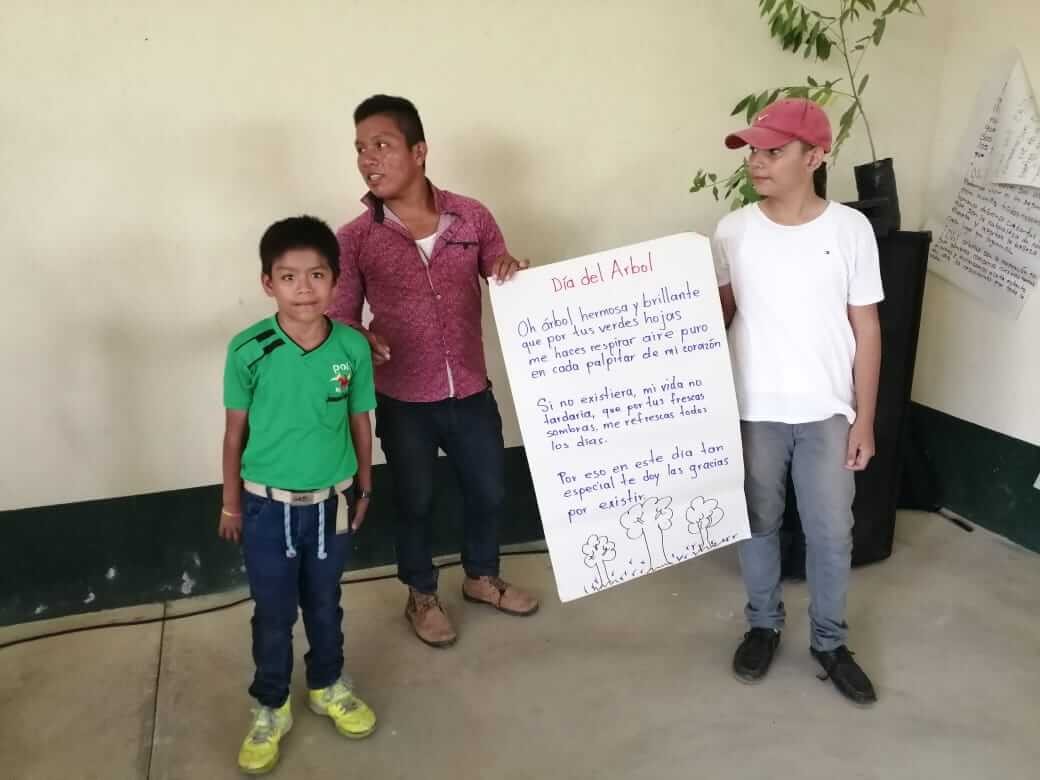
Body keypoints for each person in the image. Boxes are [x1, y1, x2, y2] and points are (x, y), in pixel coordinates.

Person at [330, 94, 539, 649]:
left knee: (490, 489)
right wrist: (360, 339)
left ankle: (481, 577)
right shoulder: (355, 238)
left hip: (470, 389)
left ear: (419, 151)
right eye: (360, 149)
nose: (368, 159)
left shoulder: (471, 216)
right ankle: (421, 594)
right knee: (415, 500)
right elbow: (340, 317)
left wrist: (509, 269)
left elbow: (501, 273)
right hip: (404, 400)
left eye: (382, 145)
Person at [712, 98, 883, 705]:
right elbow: (717, 316)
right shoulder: (732, 230)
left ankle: (830, 641)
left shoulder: (850, 230)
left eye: (773, 151)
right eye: (753, 151)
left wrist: (864, 418)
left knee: (831, 532)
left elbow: (867, 328)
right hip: (753, 408)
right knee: (756, 523)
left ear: (814, 157)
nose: (756, 162)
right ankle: (763, 625)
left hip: (827, 411)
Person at [220, 216, 378, 773]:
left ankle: (327, 685)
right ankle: (271, 704)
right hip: (266, 506)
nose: (304, 289)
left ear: (336, 279)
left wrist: (364, 484)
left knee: (325, 601)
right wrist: (231, 503)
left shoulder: (351, 348)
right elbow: (234, 434)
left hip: (332, 502)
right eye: (288, 277)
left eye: (316, 275)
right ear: (268, 283)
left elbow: (361, 421)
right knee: (273, 611)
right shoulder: (248, 349)